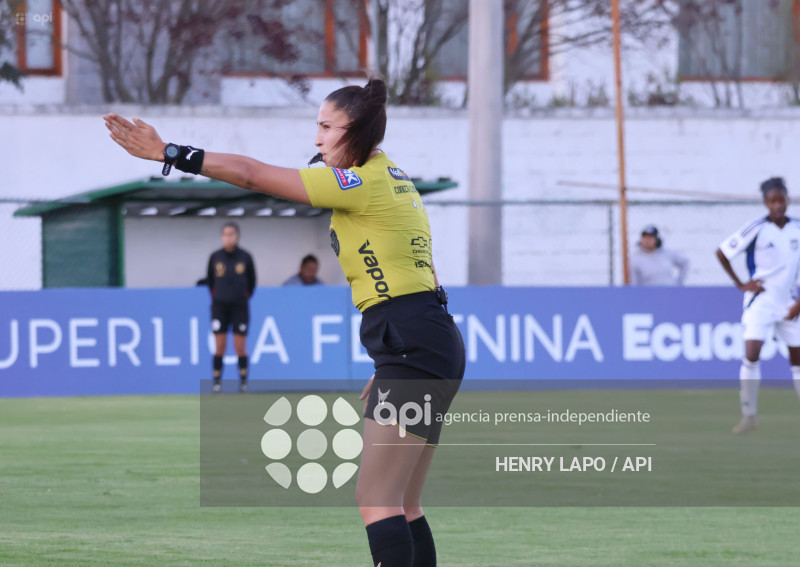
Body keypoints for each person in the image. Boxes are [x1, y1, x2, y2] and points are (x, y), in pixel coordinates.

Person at [104, 77, 465, 567]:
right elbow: (418, 271)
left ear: (355, 131)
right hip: (424, 338)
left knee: (375, 498)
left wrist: (169, 151)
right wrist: (395, 355)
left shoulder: (358, 181)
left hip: (412, 342)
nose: (316, 139)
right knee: (403, 502)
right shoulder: (393, 178)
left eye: (325, 126)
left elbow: (252, 174)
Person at [716, 177, 800, 435]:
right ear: (765, 203)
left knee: (797, 361)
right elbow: (722, 252)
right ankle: (749, 415)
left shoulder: (797, 228)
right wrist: (741, 284)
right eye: (772, 201)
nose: (777, 205)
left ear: (787, 199)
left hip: (789, 303)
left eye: (781, 199)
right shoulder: (756, 228)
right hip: (760, 302)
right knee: (752, 353)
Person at [206, 221, 256, 393]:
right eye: (225, 234)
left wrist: (242, 296)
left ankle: (243, 382)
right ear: (222, 237)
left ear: (237, 236)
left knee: (240, 345)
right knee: (220, 345)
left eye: (231, 234)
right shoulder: (215, 257)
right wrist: (219, 296)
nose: (228, 238)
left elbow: (252, 282)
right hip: (219, 306)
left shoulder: (245, 257)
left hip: (240, 307)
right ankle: (217, 382)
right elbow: (210, 282)